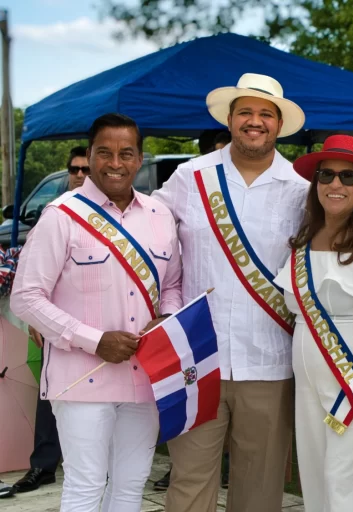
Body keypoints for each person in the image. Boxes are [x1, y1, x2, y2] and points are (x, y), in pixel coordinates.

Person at [10, 113, 183, 512]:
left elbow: (172, 285)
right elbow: (26, 296)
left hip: (144, 377)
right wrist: (94, 340)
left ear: (140, 159)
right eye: (104, 152)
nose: (115, 163)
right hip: (81, 380)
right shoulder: (61, 215)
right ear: (89, 156)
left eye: (126, 153)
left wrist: (166, 318)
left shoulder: (159, 217)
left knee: (130, 486)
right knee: (86, 487)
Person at [153, 73, 308, 512]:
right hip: (198, 359)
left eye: (265, 114)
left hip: (270, 360)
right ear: (230, 119)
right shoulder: (190, 177)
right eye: (245, 112)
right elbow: (148, 241)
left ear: (278, 125)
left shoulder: (301, 190)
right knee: (189, 484)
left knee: (260, 489)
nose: (254, 121)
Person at [273, 135, 353, 511]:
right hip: (310, 379)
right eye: (326, 175)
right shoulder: (307, 237)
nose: (335, 184)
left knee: (351, 486)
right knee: (317, 481)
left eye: (348, 176)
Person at [13, 146, 90, 495]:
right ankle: (43, 466)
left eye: (86, 169)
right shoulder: (53, 213)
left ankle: (95, 469)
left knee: (97, 403)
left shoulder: (118, 216)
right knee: (49, 396)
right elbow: (33, 277)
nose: (79, 175)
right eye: (74, 169)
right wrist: (38, 318)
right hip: (57, 323)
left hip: (99, 328)